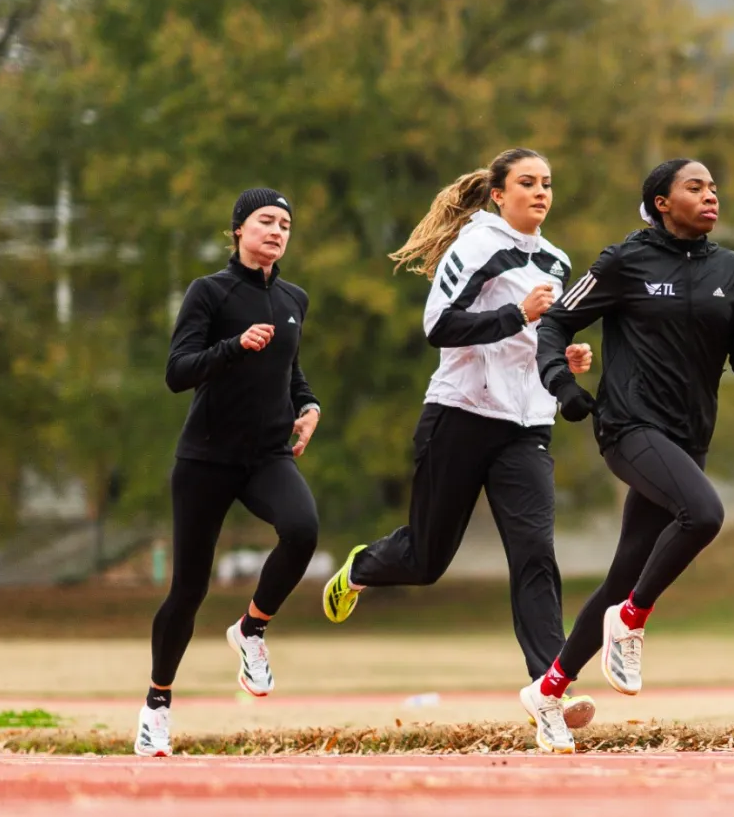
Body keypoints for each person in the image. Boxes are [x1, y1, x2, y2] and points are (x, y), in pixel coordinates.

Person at [319, 148, 598, 732]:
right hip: (461, 415)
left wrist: (564, 357)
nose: (541, 192)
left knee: (535, 554)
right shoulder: (476, 246)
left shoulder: (557, 260)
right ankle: (363, 567)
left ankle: (550, 691)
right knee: (426, 560)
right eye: (527, 182)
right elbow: (438, 325)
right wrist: (518, 316)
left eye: (547, 182)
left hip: (526, 427)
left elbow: (541, 340)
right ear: (499, 194)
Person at [522, 158, 734, 754]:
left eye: (715, 186)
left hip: (688, 438)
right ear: (662, 202)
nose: (711, 195)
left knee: (621, 573)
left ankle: (549, 690)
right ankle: (632, 621)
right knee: (705, 515)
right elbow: (555, 324)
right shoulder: (624, 261)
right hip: (629, 426)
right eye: (695, 187)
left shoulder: (730, 267)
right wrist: (562, 386)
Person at [136, 188, 325, 757]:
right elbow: (177, 372)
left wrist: (310, 406)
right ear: (239, 229)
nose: (276, 231)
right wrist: (234, 347)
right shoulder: (209, 292)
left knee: (303, 530)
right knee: (188, 590)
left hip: (268, 455)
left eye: (285, 224)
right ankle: (157, 706)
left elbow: (290, 371)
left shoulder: (295, 298)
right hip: (206, 460)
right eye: (266, 220)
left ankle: (251, 629)